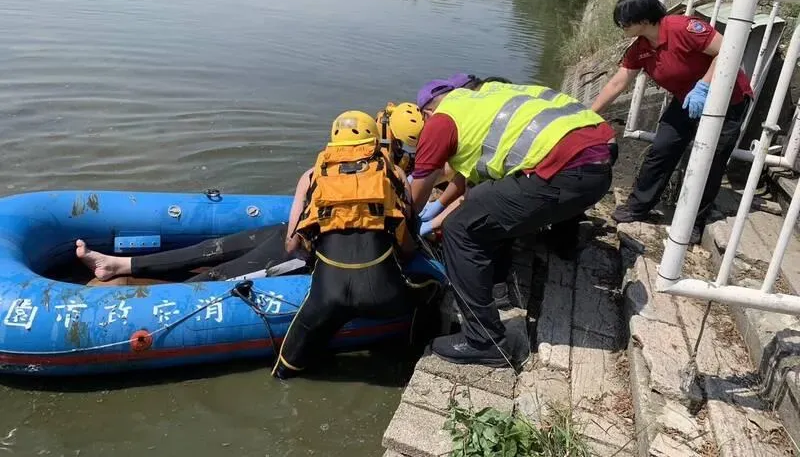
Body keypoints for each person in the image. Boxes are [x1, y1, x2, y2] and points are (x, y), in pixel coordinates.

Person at [76, 103, 427, 284]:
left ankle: (119, 264)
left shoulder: (315, 172)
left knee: (211, 251)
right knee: (217, 275)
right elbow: (403, 246)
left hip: (285, 238)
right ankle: (121, 272)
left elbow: (294, 232)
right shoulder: (396, 182)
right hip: (301, 257)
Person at [409, 77, 615, 366]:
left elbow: (422, 187)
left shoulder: (440, 121)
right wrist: (438, 208)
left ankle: (484, 341)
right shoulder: (490, 96)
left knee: (460, 229)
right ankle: (523, 269)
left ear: (426, 114)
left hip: (568, 173)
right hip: (602, 158)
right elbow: (476, 187)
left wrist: (410, 220)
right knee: (492, 207)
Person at [272, 109, 440, 379]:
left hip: (326, 299)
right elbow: (407, 246)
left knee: (286, 370)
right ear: (374, 140)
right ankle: (412, 351)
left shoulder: (312, 176)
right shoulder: (395, 173)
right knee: (433, 289)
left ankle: (288, 372)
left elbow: (291, 246)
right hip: (386, 297)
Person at [591, 0, 753, 243]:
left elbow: (728, 50)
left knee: (709, 161)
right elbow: (617, 83)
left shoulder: (683, 28)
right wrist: (589, 115)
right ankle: (638, 206)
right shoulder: (640, 48)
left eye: (624, 22)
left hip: (726, 100)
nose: (621, 26)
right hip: (687, 101)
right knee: (662, 149)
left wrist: (704, 86)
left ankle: (692, 222)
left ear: (643, 20)